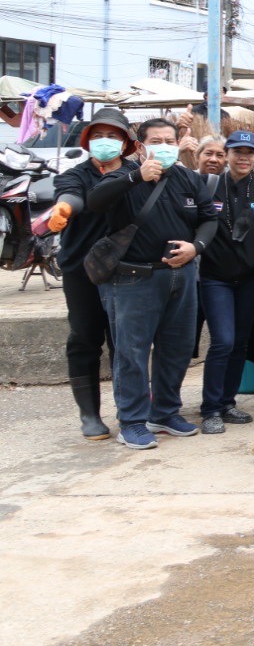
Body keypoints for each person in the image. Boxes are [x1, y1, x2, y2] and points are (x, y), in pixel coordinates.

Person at [83, 117, 219, 449]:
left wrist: (196, 247)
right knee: (131, 352)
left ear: (178, 144)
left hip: (181, 276)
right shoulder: (122, 175)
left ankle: (165, 412)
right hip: (133, 279)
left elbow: (209, 218)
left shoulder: (188, 178)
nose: (164, 147)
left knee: (177, 349)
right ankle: (131, 420)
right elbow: (95, 202)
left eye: (169, 141)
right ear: (141, 146)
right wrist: (134, 177)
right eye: (155, 141)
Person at [47, 106, 139, 440]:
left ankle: (130, 411)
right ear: (87, 141)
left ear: (126, 141)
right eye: (98, 135)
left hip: (128, 270)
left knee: (126, 342)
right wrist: (65, 207)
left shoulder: (139, 173)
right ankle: (89, 414)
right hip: (81, 270)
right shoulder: (75, 174)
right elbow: (72, 195)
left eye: (112, 135)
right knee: (85, 338)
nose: (105, 141)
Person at [196, 131, 254, 434]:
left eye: (250, 153)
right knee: (223, 341)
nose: (243, 158)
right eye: (237, 152)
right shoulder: (208, 186)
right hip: (215, 278)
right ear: (227, 155)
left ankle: (227, 401)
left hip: (250, 279)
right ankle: (210, 409)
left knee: (240, 343)